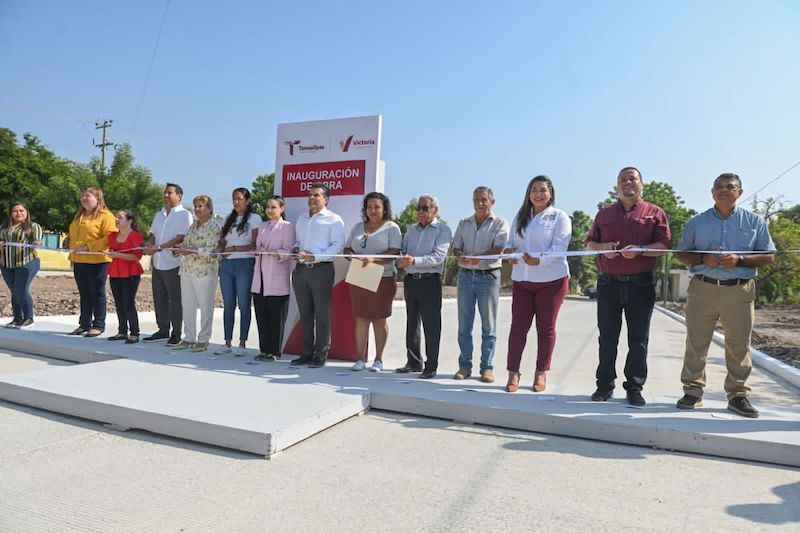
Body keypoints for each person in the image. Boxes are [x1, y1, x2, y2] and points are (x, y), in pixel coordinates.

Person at [675, 173, 775, 418]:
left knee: (739, 344)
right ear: (712, 192)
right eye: (718, 186)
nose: (723, 190)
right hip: (703, 288)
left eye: (730, 186)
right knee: (696, 342)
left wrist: (739, 259)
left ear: (739, 192)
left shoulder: (754, 222)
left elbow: (768, 256)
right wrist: (703, 258)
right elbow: (681, 254)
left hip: (738, 290)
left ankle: (738, 395)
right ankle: (693, 391)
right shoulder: (696, 222)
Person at [585, 167, 670, 406]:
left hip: (640, 284)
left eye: (632, 178)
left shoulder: (654, 213)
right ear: (617, 185)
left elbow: (664, 246)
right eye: (622, 179)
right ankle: (604, 385)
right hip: (608, 284)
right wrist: (603, 249)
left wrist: (640, 251)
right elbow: (590, 244)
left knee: (638, 339)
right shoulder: (604, 214)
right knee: (607, 338)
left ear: (642, 184)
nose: (627, 182)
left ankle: (634, 387)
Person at [503, 176, 571, 392]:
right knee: (518, 328)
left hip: (551, 281)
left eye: (542, 190)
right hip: (522, 280)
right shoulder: (520, 216)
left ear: (550, 194)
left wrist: (539, 261)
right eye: (533, 190)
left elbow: (559, 247)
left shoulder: (559, 217)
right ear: (528, 194)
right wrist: (508, 253)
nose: (538, 194)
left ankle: (541, 372)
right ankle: (513, 373)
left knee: (546, 328)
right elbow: (510, 243)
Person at [452, 186, 509, 383]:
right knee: (464, 325)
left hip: (488, 277)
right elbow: (456, 247)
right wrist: (461, 256)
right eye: (476, 199)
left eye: (484, 199)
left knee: (489, 325)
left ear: (492, 201)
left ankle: (487, 368)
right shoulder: (463, 223)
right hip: (465, 276)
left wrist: (478, 257)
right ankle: (464, 366)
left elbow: (499, 248)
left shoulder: (500, 223)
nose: (480, 203)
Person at [343, 192, 402, 372]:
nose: (373, 210)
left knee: (379, 318)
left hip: (383, 276)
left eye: (377, 207)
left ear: (384, 209)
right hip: (359, 273)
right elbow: (347, 249)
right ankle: (359, 359)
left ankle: (378, 360)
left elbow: (394, 251)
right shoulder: (357, 227)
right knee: (361, 317)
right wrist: (353, 257)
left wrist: (373, 259)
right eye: (369, 207)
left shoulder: (392, 227)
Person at [396, 194, 452, 379]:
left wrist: (413, 260)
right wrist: (400, 261)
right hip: (411, 280)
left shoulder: (442, 230)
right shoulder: (410, 230)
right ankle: (413, 362)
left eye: (425, 208)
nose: (420, 211)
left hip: (430, 281)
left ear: (435, 210)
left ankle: (431, 365)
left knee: (431, 325)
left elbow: (438, 257)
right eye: (418, 208)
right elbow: (402, 252)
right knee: (412, 322)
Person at [290, 184, 345, 368]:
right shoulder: (302, 218)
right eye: (310, 195)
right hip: (301, 271)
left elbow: (337, 245)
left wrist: (315, 256)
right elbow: (298, 240)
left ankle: (320, 354)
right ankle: (306, 353)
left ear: (325, 199)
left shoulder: (333, 219)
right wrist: (295, 249)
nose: (311, 198)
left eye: (316, 195)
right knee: (305, 314)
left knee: (321, 314)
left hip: (321, 270)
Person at [142, 183, 193, 346]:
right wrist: (150, 245)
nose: (166, 195)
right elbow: (153, 234)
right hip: (157, 262)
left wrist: (159, 247)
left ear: (179, 196)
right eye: (165, 192)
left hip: (174, 263)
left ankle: (176, 333)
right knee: (159, 298)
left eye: (169, 193)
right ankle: (162, 330)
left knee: (175, 300)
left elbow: (180, 237)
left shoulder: (185, 214)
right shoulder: (159, 214)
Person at [215, 188, 262, 356]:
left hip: (245, 263)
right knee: (228, 305)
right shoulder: (228, 218)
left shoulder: (255, 218)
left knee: (244, 305)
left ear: (247, 200)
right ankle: (227, 342)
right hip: (227, 264)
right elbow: (222, 241)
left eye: (240, 199)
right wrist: (219, 249)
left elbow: (255, 244)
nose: (236, 202)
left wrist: (235, 248)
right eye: (234, 198)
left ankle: (242, 343)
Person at [65, 187, 117, 337]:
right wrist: (68, 240)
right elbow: (75, 234)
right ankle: (84, 324)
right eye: (83, 196)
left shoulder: (106, 216)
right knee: (84, 293)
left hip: (98, 261)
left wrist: (89, 247)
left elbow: (110, 237)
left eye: (88, 196)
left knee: (97, 292)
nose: (84, 198)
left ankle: (98, 325)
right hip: (79, 260)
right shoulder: (79, 216)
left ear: (98, 199)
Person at [174, 195, 223, 353]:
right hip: (187, 269)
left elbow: (212, 251)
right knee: (187, 305)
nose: (197, 209)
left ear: (209, 208)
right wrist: (180, 248)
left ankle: (203, 339)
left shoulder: (214, 226)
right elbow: (187, 244)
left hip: (205, 271)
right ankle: (189, 337)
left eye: (201, 206)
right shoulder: (193, 225)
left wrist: (190, 251)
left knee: (205, 306)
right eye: (195, 206)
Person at [251, 196, 295, 361]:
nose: (269, 210)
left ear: (282, 209)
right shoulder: (262, 226)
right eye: (267, 207)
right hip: (260, 278)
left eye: (273, 207)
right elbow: (258, 247)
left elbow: (289, 251)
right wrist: (258, 250)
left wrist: (271, 252)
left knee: (276, 318)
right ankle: (264, 349)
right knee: (261, 316)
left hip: (277, 279)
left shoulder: (287, 227)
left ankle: (275, 351)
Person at [0, 201, 43, 328]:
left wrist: (35, 243)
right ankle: (17, 318)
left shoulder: (33, 226)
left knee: (21, 290)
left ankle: (28, 318)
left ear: (26, 212)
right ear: (10, 213)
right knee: (14, 291)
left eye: (21, 211)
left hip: (26, 263)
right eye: (15, 211)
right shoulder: (4, 227)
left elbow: (37, 241)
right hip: (6, 264)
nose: (18, 213)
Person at [106, 210, 144, 343]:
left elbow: (136, 256)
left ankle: (134, 332)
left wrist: (118, 255)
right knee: (118, 303)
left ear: (129, 221)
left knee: (128, 303)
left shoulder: (135, 236)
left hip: (130, 272)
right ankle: (122, 331)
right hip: (115, 271)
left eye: (120, 217)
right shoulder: (112, 236)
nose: (116, 220)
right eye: (116, 217)